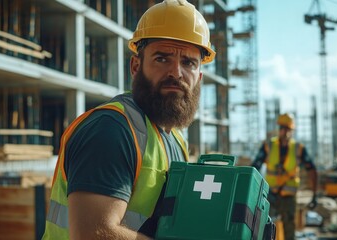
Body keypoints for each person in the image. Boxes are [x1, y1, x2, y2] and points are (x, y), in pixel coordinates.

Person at [42, 0, 216, 239]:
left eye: (188, 62)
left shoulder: (176, 139)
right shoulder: (111, 130)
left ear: (199, 76)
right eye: (162, 59)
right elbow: (94, 233)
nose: (176, 72)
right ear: (136, 66)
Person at [251, 113, 318, 240]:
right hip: (270, 196)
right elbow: (255, 167)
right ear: (279, 128)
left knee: (289, 231)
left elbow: (312, 170)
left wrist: (314, 195)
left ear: (292, 130)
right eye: (282, 128)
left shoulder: (298, 148)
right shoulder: (268, 146)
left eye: (288, 129)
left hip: (289, 197)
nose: (285, 132)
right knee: (265, 230)